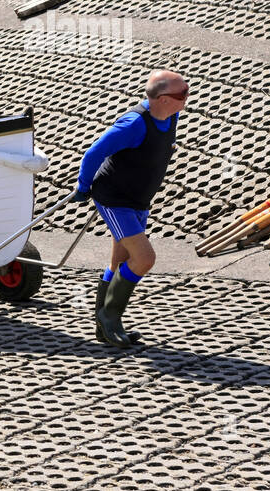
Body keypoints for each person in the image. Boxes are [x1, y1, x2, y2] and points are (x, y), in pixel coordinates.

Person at [72, 70, 188, 348]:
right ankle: (110, 317)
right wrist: (83, 186)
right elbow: (94, 153)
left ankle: (104, 328)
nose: (187, 97)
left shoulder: (171, 116)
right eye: (182, 94)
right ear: (162, 99)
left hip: (139, 200)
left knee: (119, 262)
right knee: (144, 258)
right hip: (115, 199)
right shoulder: (133, 124)